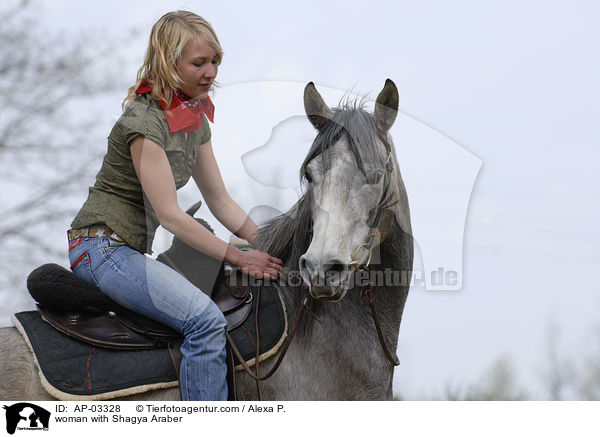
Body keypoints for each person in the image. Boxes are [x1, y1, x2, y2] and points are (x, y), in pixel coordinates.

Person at [66, 10, 283, 401]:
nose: (211, 71)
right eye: (199, 63)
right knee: (204, 321)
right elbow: (170, 216)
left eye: (215, 61)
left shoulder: (194, 121)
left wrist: (272, 243)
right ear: (169, 62)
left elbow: (221, 202)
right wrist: (239, 256)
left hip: (125, 252)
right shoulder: (143, 125)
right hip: (99, 249)